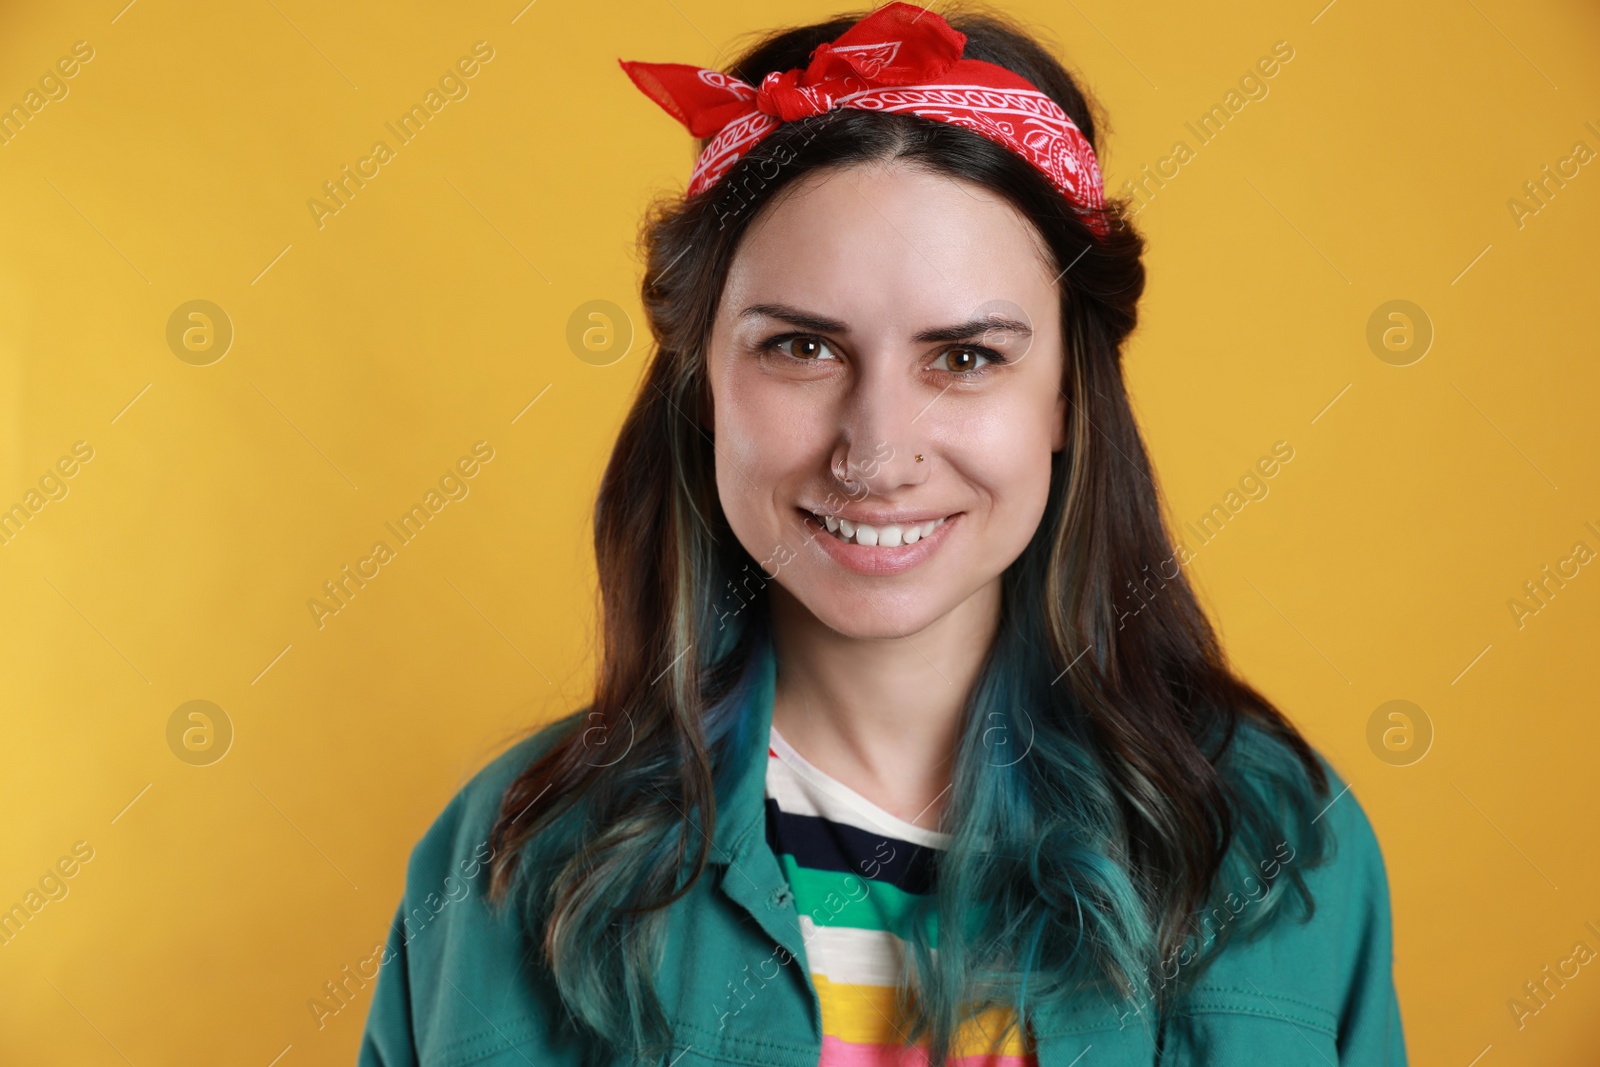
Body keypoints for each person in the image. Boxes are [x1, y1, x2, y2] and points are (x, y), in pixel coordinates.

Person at [358, 3, 1407, 1064]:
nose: (875, 450)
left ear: (1065, 400)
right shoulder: (506, 863)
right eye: (803, 346)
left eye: (964, 357)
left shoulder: (1280, 845)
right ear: (704, 383)